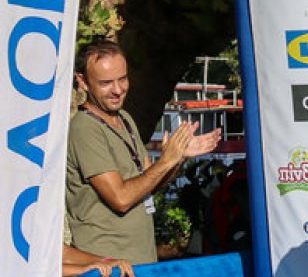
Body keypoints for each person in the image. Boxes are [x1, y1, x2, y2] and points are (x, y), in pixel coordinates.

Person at [65, 40, 221, 265]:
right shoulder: (85, 129)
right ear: (83, 81)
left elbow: (149, 184)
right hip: (108, 268)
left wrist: (177, 159)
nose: (118, 90)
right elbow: (120, 199)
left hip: (141, 264)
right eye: (106, 83)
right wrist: (165, 161)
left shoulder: (124, 118)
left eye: (122, 78)